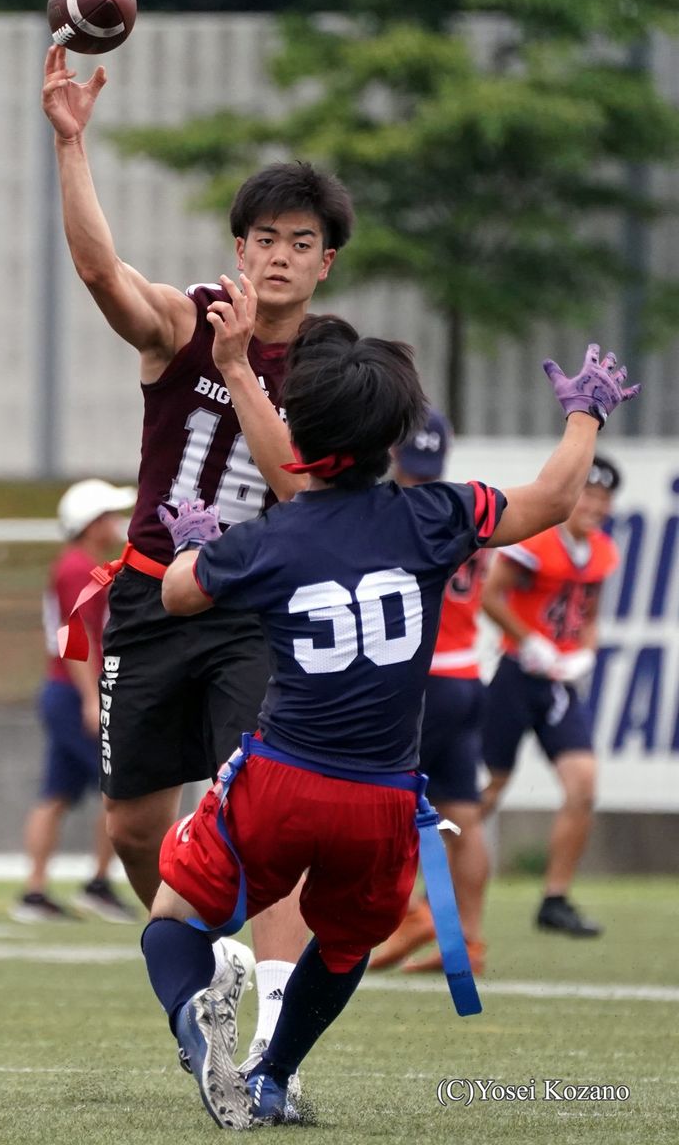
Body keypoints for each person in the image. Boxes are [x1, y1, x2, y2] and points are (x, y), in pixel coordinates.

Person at [140, 326, 639, 1129]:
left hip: (281, 778)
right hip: (381, 799)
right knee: (342, 946)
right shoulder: (436, 516)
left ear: (300, 435)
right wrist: (585, 417)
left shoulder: (274, 537)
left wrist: (204, 547)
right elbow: (550, 500)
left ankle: (200, 1029)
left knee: (175, 917)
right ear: (397, 437)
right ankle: (274, 1078)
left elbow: (176, 594)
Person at [41, 44, 354, 1063]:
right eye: (261, 236)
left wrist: (239, 372)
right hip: (145, 598)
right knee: (135, 824)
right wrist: (71, 142)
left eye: (297, 242)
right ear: (237, 243)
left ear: (322, 262)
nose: (275, 256)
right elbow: (97, 270)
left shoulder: (332, 363)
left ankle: (271, 1050)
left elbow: (303, 482)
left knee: (261, 811)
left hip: (256, 608)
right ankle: (201, 953)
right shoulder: (184, 320)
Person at [368, 410, 490, 976]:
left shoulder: (393, 512)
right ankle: (467, 940)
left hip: (421, 679)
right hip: (467, 676)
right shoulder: (465, 509)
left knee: (388, 806)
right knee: (462, 813)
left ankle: (415, 913)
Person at [480, 455, 623, 937]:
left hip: (558, 682)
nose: (596, 504)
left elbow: (590, 614)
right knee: (486, 791)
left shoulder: (602, 551)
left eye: (604, 497)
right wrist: (530, 641)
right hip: (518, 675)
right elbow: (491, 596)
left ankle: (555, 898)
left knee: (583, 784)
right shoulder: (538, 541)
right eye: (589, 493)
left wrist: (584, 654)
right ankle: (427, 888)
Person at [11, 479, 138, 924]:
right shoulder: (75, 568)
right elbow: (73, 639)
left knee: (57, 793)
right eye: (106, 515)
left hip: (66, 691)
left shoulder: (87, 565)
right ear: (90, 523)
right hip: (72, 692)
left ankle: (36, 891)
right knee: (118, 789)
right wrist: (92, 698)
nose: (115, 522)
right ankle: (98, 884)